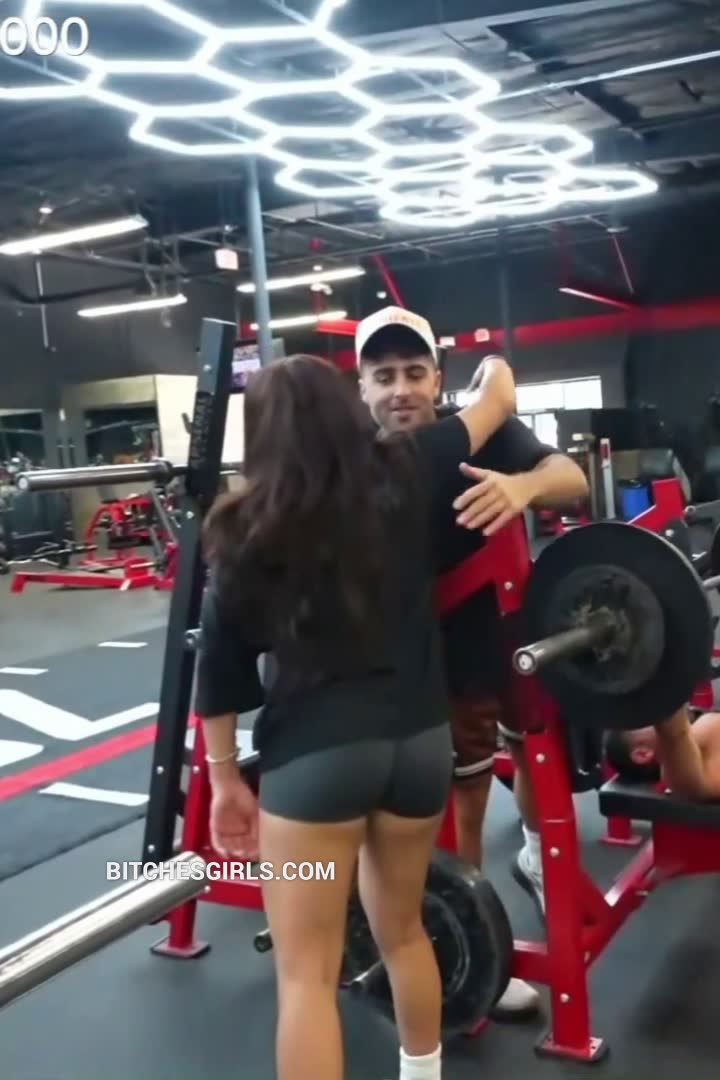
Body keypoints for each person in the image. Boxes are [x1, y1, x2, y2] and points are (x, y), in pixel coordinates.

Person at [193, 350, 517, 1080]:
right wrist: (490, 365)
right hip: (419, 746)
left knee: (306, 977)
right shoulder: (411, 466)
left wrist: (225, 781)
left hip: (319, 760)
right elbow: (496, 399)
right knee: (403, 933)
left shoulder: (242, 527)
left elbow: (218, 670)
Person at [355, 306, 589, 1016]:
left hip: (498, 627)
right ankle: (466, 935)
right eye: (384, 377)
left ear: (436, 379)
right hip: (409, 653)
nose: (401, 390)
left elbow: (571, 476)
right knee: (454, 792)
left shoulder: (482, 434)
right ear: (362, 387)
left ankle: (526, 867)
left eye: (414, 373)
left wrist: (522, 487)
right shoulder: (355, 457)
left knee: (529, 751)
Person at [605, 707, 720, 798]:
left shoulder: (700, 731)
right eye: (646, 718)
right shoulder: (683, 778)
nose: (655, 713)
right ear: (642, 754)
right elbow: (674, 732)